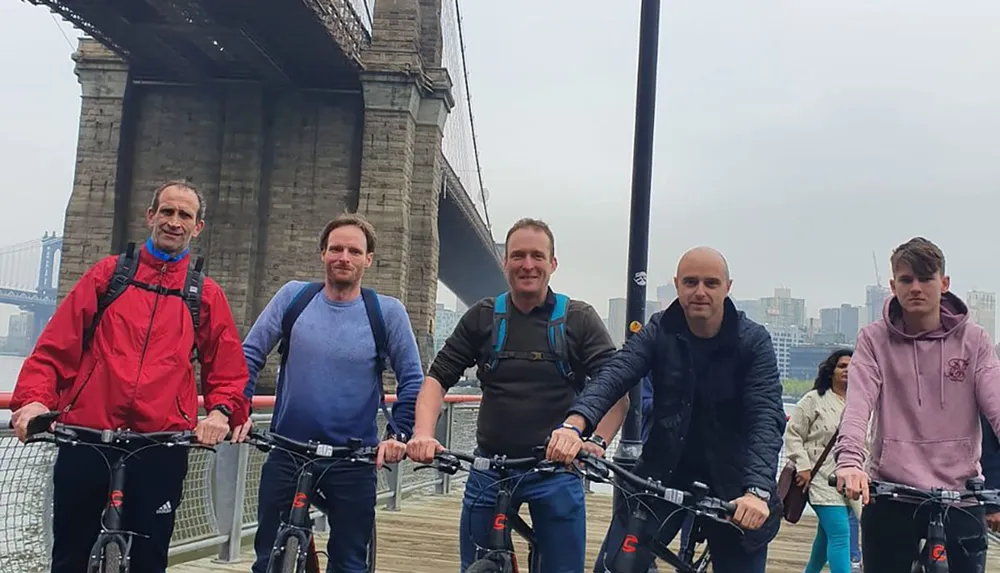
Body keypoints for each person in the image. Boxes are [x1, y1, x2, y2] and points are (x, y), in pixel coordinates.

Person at [8, 180, 250, 573]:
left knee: (149, 561)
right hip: (88, 436)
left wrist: (221, 413)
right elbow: (56, 348)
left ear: (197, 227)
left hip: (160, 445)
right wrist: (34, 400)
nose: (174, 222)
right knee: (69, 556)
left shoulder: (204, 295)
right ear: (150, 217)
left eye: (184, 215)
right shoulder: (109, 275)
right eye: (166, 212)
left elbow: (228, 370)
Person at [406, 217, 629, 572]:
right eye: (518, 256)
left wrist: (597, 442)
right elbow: (437, 378)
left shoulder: (578, 319)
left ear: (553, 264)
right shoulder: (482, 317)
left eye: (538, 256)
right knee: (477, 564)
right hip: (489, 466)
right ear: (504, 262)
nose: (528, 265)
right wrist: (422, 433)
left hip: (556, 470)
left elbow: (616, 389)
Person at [546, 246, 787, 573]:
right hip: (664, 471)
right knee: (615, 565)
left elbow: (765, 417)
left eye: (711, 283)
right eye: (690, 282)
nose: (699, 291)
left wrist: (757, 490)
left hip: (735, 482)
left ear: (728, 287)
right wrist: (574, 426)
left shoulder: (753, 341)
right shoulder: (660, 329)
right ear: (677, 285)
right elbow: (616, 373)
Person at [238, 214, 423, 573]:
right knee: (267, 559)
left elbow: (412, 380)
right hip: (288, 449)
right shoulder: (293, 297)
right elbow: (249, 354)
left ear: (368, 259)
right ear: (322, 253)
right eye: (336, 249)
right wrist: (237, 410)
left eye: (355, 251)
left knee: (350, 561)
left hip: (353, 459)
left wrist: (398, 435)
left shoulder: (387, 312)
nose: (344, 257)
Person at [833, 237, 1000, 572]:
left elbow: (996, 405)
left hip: (961, 493)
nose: (916, 288)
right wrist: (850, 462)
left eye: (926, 278)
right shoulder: (873, 339)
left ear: (944, 283)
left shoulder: (975, 340)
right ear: (893, 285)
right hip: (893, 490)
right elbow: (858, 406)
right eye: (907, 280)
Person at [783, 348, 859, 573]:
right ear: (831, 371)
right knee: (840, 534)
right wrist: (803, 467)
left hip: (849, 481)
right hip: (819, 479)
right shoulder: (813, 399)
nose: (847, 370)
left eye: (852, 366)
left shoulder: (859, 404)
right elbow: (793, 433)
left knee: (825, 538)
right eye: (842, 366)